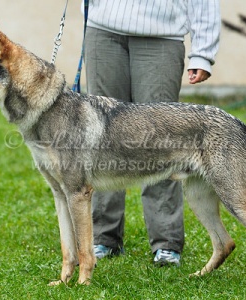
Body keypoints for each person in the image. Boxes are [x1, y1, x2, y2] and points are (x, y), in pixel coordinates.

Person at [83, 0, 221, 265]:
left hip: (161, 36)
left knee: (160, 143)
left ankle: (166, 241)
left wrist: (203, 51)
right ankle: (104, 238)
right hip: (102, 32)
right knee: (103, 139)